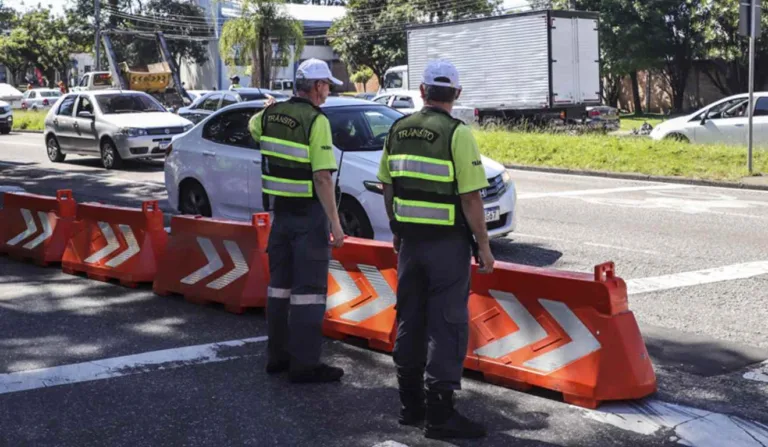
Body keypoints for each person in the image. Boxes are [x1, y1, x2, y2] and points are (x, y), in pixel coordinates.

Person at [377, 59, 495, 440]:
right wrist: (484, 245)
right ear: (456, 94)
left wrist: (396, 229)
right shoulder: (457, 134)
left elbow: (388, 185)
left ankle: (410, 407)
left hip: (410, 244)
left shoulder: (397, 128)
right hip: (447, 246)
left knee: (410, 319)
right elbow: (471, 197)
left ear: (423, 92)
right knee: (446, 326)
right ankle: (440, 415)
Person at [248, 58, 346, 383]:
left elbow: (253, 127)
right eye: (327, 85)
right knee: (308, 293)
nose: (328, 90)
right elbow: (322, 177)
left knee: (279, 289)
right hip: (308, 218)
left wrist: (269, 108)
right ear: (317, 87)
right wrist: (335, 221)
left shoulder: (269, 115)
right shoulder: (316, 120)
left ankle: (277, 357)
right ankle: (305, 365)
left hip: (282, 216)